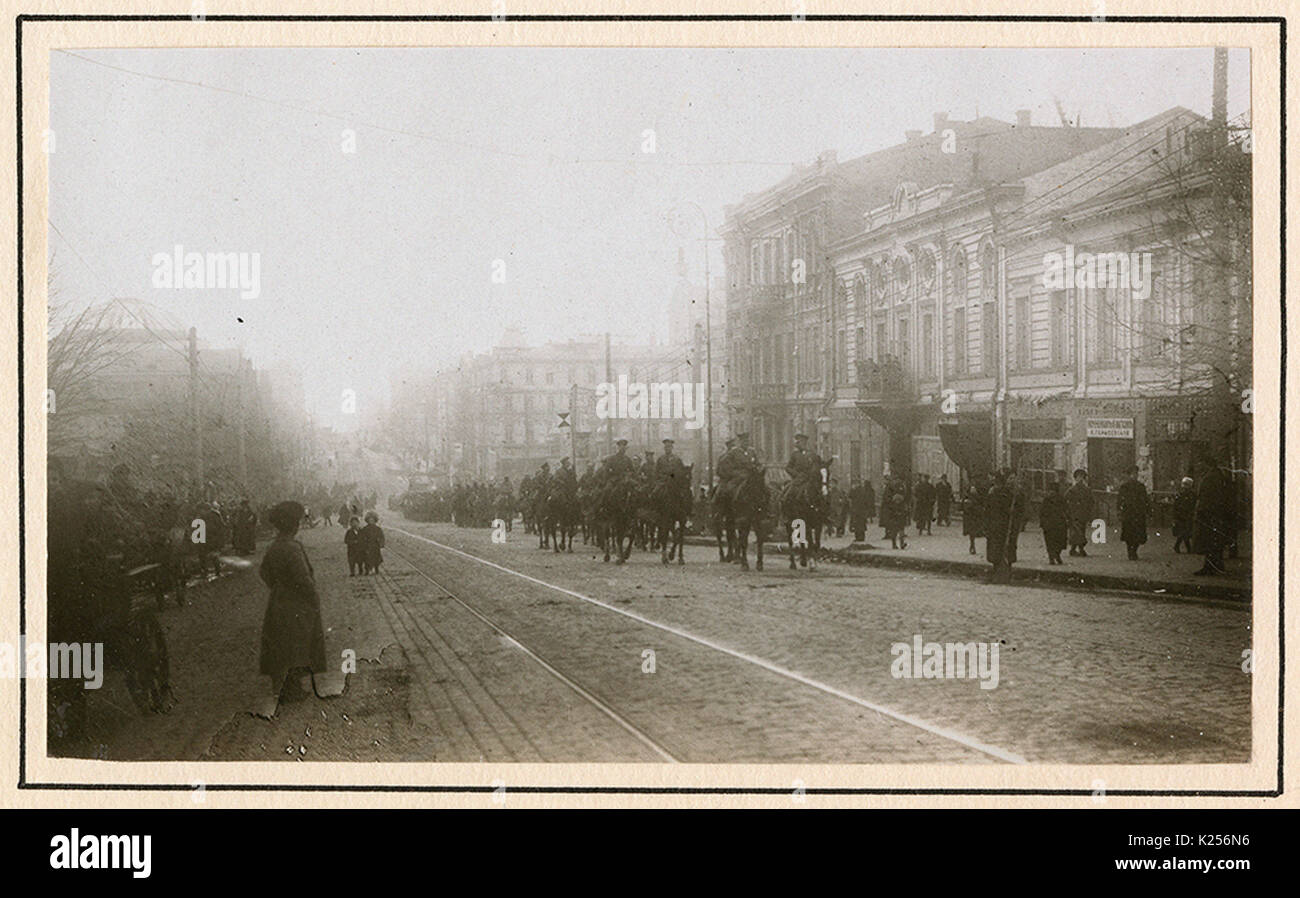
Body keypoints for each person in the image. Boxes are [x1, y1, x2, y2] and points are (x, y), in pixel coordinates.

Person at [258, 501, 327, 704]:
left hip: (279, 601)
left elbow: (264, 572)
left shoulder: (274, 546)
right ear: (293, 526)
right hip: (297, 603)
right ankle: (292, 689)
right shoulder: (292, 548)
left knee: (282, 643)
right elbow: (303, 578)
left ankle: (284, 686)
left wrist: (278, 587)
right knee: (298, 643)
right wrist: (313, 596)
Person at [1193, 452, 1233, 575]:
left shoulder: (1211, 477)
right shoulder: (1215, 475)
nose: (1199, 466)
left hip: (1210, 514)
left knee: (1210, 541)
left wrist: (1201, 511)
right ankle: (1215, 566)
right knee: (1213, 541)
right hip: (1214, 514)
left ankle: (1211, 567)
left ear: (1206, 464)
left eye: (1200, 463)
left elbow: (1209, 497)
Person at [1117, 467, 1150, 560]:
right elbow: (1119, 500)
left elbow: (1145, 500)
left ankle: (1134, 550)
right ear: (1129, 475)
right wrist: (1119, 511)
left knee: (1138, 534)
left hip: (1139, 514)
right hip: (1128, 514)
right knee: (1129, 534)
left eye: (1136, 474)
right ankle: (1130, 551)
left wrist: (1148, 510)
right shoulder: (1124, 487)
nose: (1134, 476)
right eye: (1132, 474)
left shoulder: (1141, 486)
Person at [1065, 469, 1094, 557]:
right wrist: (1069, 510)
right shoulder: (1072, 490)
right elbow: (1065, 500)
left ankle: (1074, 549)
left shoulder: (1087, 490)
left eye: (1082, 477)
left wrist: (1089, 510)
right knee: (1076, 531)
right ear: (1075, 478)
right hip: (1074, 513)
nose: (1080, 479)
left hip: (1083, 513)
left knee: (1081, 530)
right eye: (1078, 477)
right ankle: (1079, 549)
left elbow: (1091, 501)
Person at [1038, 479, 1068, 565]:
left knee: (1050, 541)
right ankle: (1056, 556)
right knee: (1059, 541)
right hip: (1058, 523)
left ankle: (1052, 557)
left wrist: (1042, 523)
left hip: (1051, 524)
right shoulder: (1060, 499)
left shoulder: (1047, 499)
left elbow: (1041, 512)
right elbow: (1066, 510)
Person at [1172, 476, 1197, 554]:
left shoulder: (1190, 494)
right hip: (1182, 515)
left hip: (1186, 515)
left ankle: (1179, 546)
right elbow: (1176, 505)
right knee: (1185, 532)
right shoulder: (1182, 494)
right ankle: (1187, 548)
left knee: (1185, 532)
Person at [962, 479, 985, 554]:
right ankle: (972, 546)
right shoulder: (967, 496)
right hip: (970, 517)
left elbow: (983, 504)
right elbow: (963, 506)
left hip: (977, 516)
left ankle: (973, 545)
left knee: (977, 532)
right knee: (972, 533)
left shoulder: (979, 496)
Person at [848, 477, 871, 542]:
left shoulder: (858, 490)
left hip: (858, 509)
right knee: (859, 524)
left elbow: (851, 496)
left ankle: (859, 537)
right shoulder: (861, 490)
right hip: (859, 510)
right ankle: (859, 537)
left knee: (858, 524)